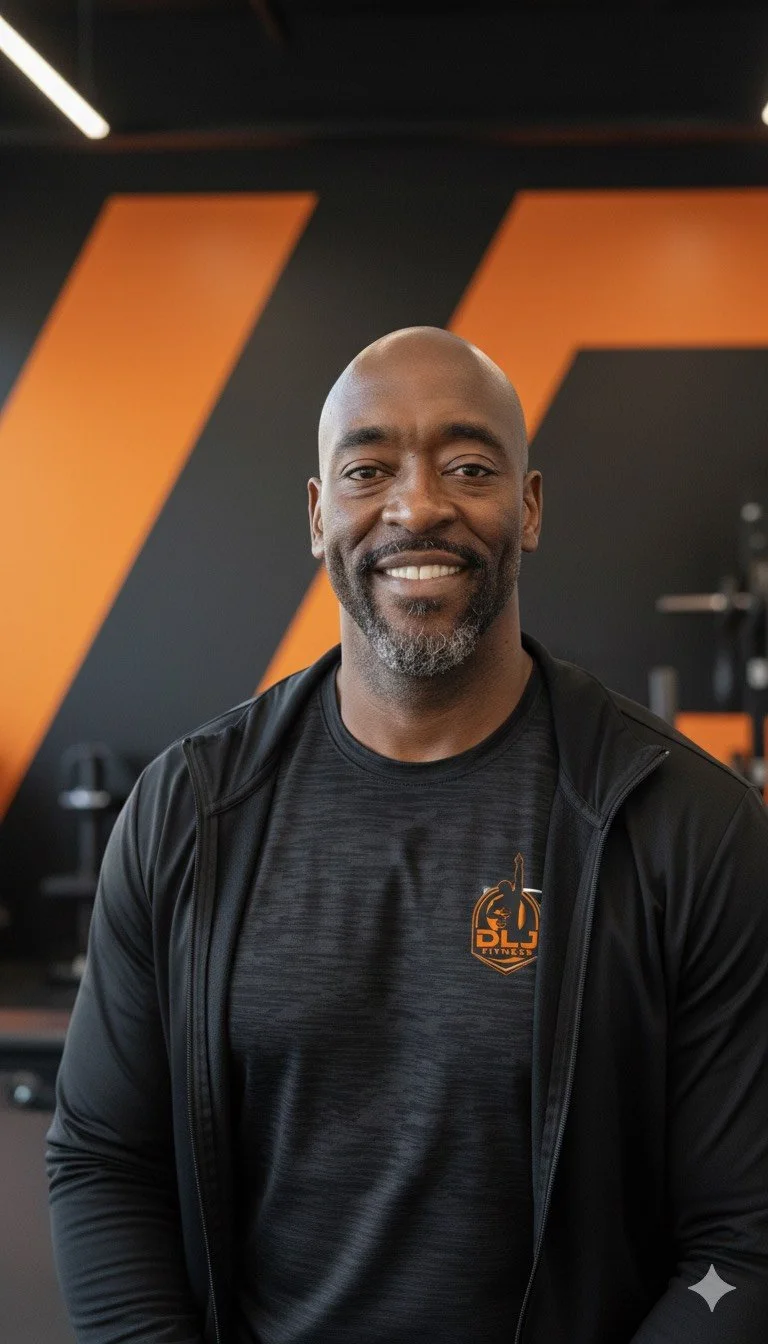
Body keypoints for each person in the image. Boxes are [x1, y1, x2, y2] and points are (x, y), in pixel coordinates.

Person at [46, 327, 768, 1344]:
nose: (418, 505)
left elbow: (744, 1242)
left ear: (528, 507)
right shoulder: (188, 813)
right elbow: (105, 1163)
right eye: (369, 469)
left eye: (469, 467)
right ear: (318, 514)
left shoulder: (689, 825)